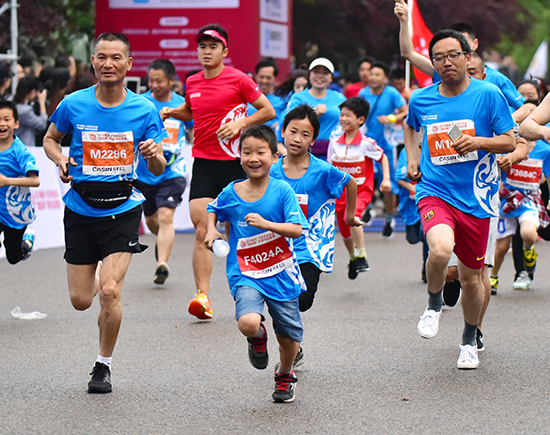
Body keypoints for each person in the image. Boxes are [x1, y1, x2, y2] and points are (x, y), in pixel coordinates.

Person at [43, 32, 167, 394]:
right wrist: (60, 157)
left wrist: (152, 154)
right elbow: (51, 139)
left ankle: (103, 365)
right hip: (80, 208)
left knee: (110, 291)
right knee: (82, 301)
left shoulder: (144, 110)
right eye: (101, 57)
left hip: (123, 207)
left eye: (116, 58)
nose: (108, 64)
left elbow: (159, 168)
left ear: (129, 64)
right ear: (93, 62)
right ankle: (97, 272)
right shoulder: (73, 104)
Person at [404, 29, 515, 369]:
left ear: (468, 58)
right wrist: (411, 155)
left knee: (471, 277)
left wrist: (478, 142)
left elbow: (509, 141)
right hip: (435, 191)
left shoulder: (488, 94)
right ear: (433, 62)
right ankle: (434, 304)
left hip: (477, 199)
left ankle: (469, 338)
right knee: (439, 248)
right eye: (439, 57)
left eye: (453, 55)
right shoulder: (422, 99)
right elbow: (411, 127)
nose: (446, 62)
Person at [160, 23, 275, 320]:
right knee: (202, 231)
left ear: (225, 51)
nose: (206, 51)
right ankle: (203, 297)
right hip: (205, 164)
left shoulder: (239, 80)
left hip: (236, 165)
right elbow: (191, 110)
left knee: (243, 230)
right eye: (202, 46)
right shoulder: (193, 82)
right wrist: (174, 112)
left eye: (213, 46)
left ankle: (255, 289)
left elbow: (267, 110)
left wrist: (240, 124)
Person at [205, 125, 307, 403]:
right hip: (246, 273)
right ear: (239, 157)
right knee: (248, 322)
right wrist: (211, 231)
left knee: (288, 337)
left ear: (275, 156)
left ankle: (285, 374)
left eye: (260, 152)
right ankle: (258, 338)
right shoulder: (232, 190)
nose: (253, 158)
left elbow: (297, 229)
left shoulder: (282, 189)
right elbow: (213, 209)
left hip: (281, 272)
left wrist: (266, 224)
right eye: (247, 152)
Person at [271, 104, 360, 313]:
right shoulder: (272, 171)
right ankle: (290, 339)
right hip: (278, 245)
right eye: (293, 131)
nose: (297, 138)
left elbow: (351, 182)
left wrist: (349, 216)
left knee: (303, 301)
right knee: (283, 298)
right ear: (283, 131)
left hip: (311, 247)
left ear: (313, 140)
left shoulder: (322, 170)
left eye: (305, 134)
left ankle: (289, 333)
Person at [394, 0, 525, 112]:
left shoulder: (495, 80)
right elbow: (408, 53)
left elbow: (525, 108)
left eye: (464, 43)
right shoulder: (446, 72)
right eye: (454, 46)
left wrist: (505, 123)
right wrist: (404, 21)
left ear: (475, 44)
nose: (459, 48)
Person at [133, 59, 191, 284]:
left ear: (172, 80)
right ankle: (162, 243)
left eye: (159, 81)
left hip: (173, 171)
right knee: (152, 221)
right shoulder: (140, 103)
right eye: (151, 80)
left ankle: (162, 264)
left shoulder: (181, 106)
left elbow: (194, 129)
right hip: (144, 172)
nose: (155, 85)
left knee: (166, 216)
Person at [327, 97, 391, 278]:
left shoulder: (366, 143)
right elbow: (329, 168)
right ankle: (353, 257)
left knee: (353, 216)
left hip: (362, 191)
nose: (343, 119)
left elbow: (383, 158)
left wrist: (386, 179)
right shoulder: (334, 143)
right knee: (344, 229)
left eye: (348, 115)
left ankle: (362, 255)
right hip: (340, 193)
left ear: (360, 120)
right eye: (342, 115)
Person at [490, 139, 550, 292]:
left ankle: (529, 251)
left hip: (529, 198)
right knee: (501, 248)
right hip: (507, 199)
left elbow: (546, 175)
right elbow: (494, 170)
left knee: (528, 233)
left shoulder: (544, 150)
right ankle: (493, 276)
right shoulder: (508, 146)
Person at [358, 62, 407, 238]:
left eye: (377, 74)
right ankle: (368, 208)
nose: (373, 77)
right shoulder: (362, 94)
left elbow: (405, 111)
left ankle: (388, 218)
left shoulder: (391, 93)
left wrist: (391, 117)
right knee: (365, 180)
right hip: (366, 144)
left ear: (385, 78)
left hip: (387, 145)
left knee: (388, 185)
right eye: (371, 74)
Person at [0, 100, 39, 264]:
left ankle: (28, 240)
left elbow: (35, 181)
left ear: (16, 124)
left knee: (13, 257)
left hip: (14, 212)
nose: (2, 124)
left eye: (6, 119)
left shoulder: (19, 151)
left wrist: (6, 181)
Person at [284, 58, 346, 159]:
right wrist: (314, 115)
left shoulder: (339, 98)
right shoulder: (298, 97)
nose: (320, 76)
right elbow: (289, 123)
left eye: (325, 73)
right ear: (309, 75)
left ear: (331, 78)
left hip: (335, 155)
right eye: (316, 72)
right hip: (305, 154)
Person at [395, 147, 428, 282]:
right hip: (411, 204)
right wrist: (414, 188)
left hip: (430, 201)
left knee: (429, 239)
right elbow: (399, 178)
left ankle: (427, 271)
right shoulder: (407, 151)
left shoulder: (435, 146)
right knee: (413, 238)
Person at [248, 58, 287, 154]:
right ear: (256, 76)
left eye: (268, 78)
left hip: (272, 148)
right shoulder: (246, 96)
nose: (264, 81)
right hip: (248, 145)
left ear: (275, 78)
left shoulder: (283, 99)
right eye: (261, 77)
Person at [12, 75, 48, 147]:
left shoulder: (11, 102)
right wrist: (42, 102)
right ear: (33, 91)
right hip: (25, 146)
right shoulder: (25, 111)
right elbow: (42, 124)